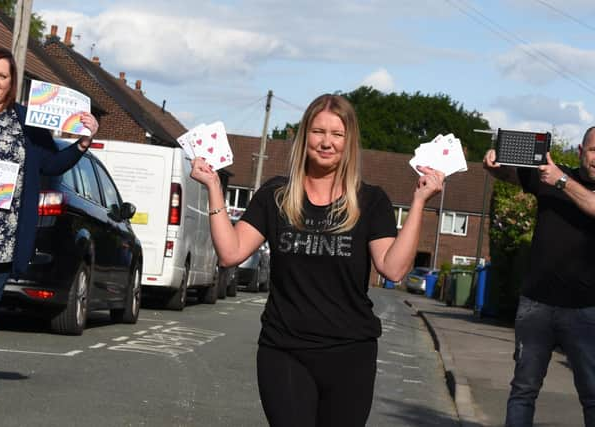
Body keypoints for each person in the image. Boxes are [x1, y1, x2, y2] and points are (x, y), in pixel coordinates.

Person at [190, 93, 444, 426]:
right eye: (318, 132)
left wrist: (419, 202)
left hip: (351, 353)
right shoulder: (276, 195)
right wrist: (213, 186)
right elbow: (231, 252)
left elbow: (392, 268)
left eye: (336, 134)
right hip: (284, 350)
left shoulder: (371, 201)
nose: (326, 142)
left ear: (349, 141)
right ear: (303, 136)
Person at [0, 47, 99, 418]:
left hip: (1, 236)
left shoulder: (24, 122)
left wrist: (82, 143)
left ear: (11, 84)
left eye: (3, 76)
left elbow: (52, 162)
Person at [483, 129, 595, 427]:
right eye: (594, 150)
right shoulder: (551, 175)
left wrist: (561, 180)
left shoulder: (557, 178)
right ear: (581, 149)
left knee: (592, 395)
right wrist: (493, 165)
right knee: (523, 390)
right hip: (536, 305)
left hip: (585, 310)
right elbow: (509, 175)